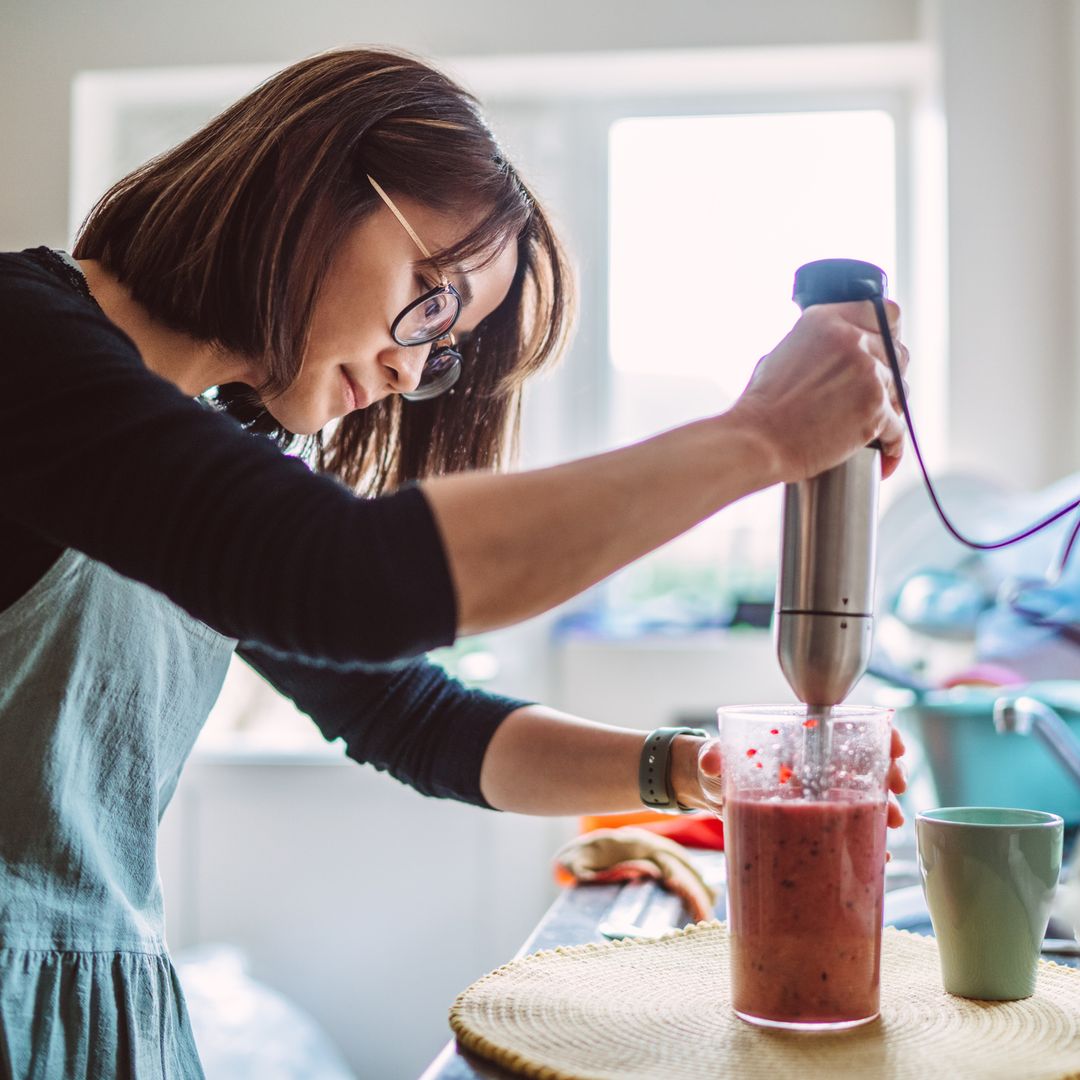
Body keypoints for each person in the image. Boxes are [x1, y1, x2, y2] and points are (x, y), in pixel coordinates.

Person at [0, 47, 908, 1077]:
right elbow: (346, 577)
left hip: (102, 1028)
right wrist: (761, 436)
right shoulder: (22, 341)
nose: (407, 366)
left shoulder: (204, 457)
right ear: (312, 181)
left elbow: (415, 719)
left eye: (442, 349)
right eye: (431, 298)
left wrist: (697, 772)